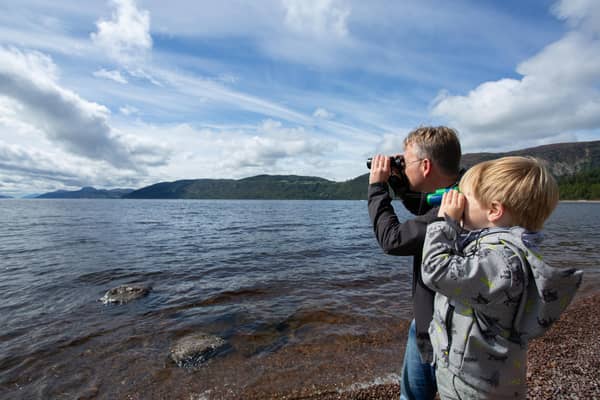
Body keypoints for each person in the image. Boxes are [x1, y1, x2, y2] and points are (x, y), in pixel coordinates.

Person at [421, 156, 583, 399]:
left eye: (466, 197)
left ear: (494, 210)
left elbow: (435, 270)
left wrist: (443, 222)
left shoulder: (502, 261)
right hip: (485, 379)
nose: (460, 202)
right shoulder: (501, 252)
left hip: (472, 388)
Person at [368, 126, 462, 400]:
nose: (402, 166)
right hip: (426, 324)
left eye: (406, 162)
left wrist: (377, 188)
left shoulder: (455, 209)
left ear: (425, 165)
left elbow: (393, 240)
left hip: (442, 335)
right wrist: (399, 180)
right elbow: (423, 210)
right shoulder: (459, 191)